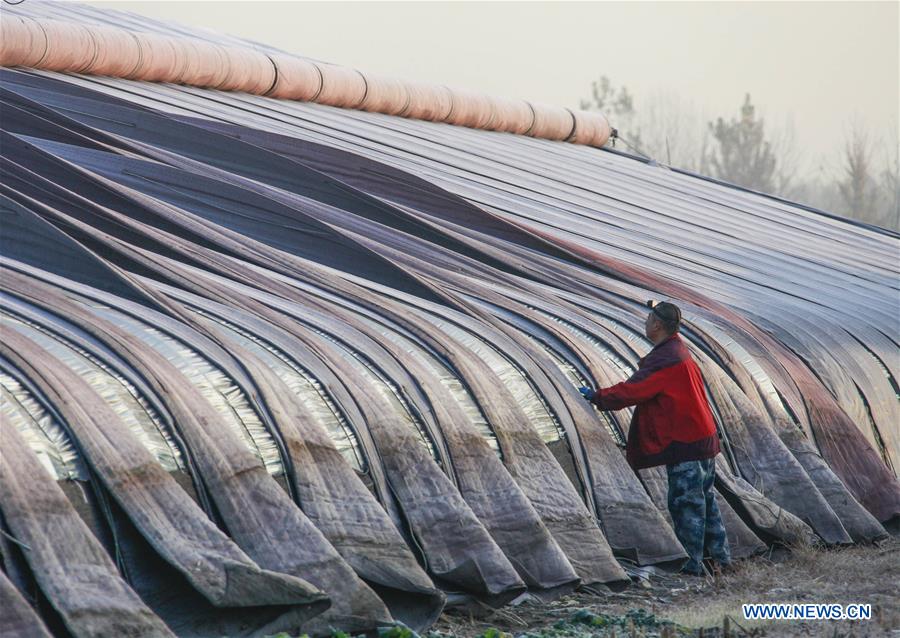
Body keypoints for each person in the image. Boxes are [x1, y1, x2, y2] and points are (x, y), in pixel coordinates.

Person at [579, 300, 731, 576]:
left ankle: (693, 566)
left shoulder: (666, 359)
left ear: (658, 324)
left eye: (649, 317)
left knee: (686, 503)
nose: (646, 321)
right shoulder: (676, 350)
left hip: (687, 442)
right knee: (704, 500)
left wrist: (597, 397)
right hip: (701, 437)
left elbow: (633, 391)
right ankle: (719, 560)